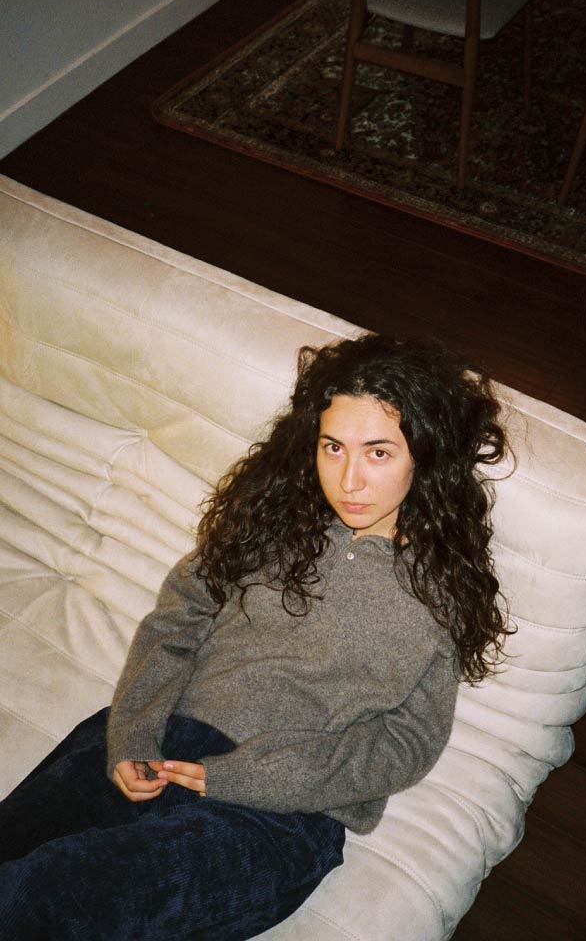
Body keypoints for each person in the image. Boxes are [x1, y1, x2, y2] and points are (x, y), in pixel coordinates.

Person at [0, 332, 509, 940]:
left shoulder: (442, 592)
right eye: (333, 447)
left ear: (425, 454)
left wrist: (255, 777)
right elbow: (176, 621)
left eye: (378, 453)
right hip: (159, 741)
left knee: (52, 896)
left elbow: (407, 743)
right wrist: (132, 733)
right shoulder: (271, 522)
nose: (349, 480)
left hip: (278, 815)